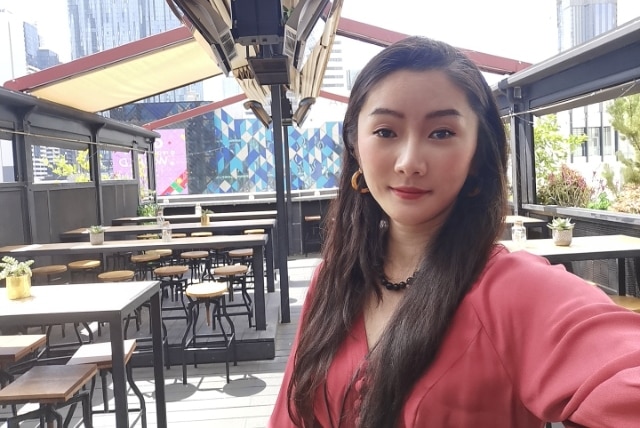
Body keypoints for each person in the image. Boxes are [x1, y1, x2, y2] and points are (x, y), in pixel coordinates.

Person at [269, 36, 640, 428]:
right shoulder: (333, 279)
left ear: (478, 153)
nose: (410, 162)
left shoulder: (513, 290)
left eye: (442, 133)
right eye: (385, 131)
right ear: (355, 145)